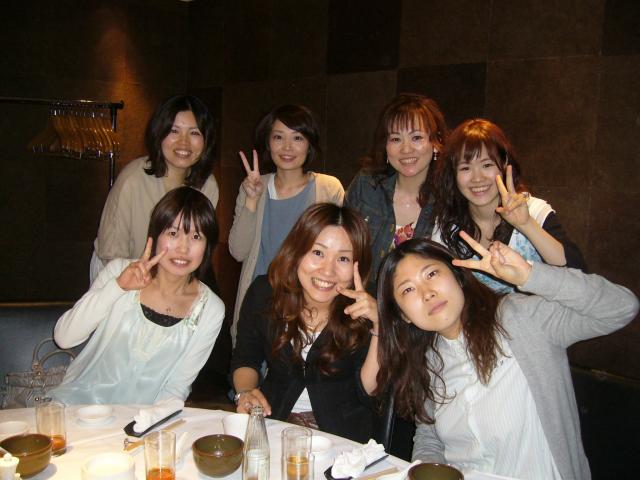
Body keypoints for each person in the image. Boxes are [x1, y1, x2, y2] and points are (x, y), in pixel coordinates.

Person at [360, 235, 638, 479]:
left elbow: (622, 307)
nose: (427, 293)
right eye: (408, 289)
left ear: (457, 276)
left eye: (432, 274)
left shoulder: (519, 318)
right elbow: (430, 436)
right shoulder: (427, 361)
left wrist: (529, 276)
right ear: (404, 315)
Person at [50, 187, 225, 405]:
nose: (183, 248)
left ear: (207, 246)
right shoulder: (120, 272)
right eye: (173, 233)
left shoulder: (211, 309)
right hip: (78, 406)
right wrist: (118, 287)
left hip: (143, 420)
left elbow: (176, 387)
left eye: (196, 236)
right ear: (155, 235)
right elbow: (64, 337)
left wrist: (151, 421)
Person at [230, 203, 378, 443]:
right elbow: (246, 358)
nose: (327, 271)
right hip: (273, 424)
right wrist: (246, 393)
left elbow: (369, 391)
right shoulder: (265, 292)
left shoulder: (368, 309)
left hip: (341, 440)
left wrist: (380, 327)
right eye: (318, 253)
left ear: (357, 267)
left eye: (343, 258)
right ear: (297, 251)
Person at [228, 104, 344, 343]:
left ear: (309, 144)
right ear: (268, 143)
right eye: (278, 137)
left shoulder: (328, 188)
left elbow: (341, 254)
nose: (287, 147)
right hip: (258, 306)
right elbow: (238, 251)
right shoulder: (253, 186)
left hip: (308, 308)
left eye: (297, 138)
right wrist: (252, 200)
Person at [432, 118, 585, 292]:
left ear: (504, 164)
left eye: (487, 165)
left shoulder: (534, 210)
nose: (477, 178)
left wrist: (527, 225)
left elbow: (578, 274)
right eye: (465, 168)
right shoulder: (446, 227)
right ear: (453, 174)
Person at [91, 94, 219, 283]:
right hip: (120, 275)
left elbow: (198, 249)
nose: (184, 142)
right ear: (159, 134)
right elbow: (112, 254)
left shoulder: (207, 186)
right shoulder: (132, 180)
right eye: (174, 131)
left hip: (171, 280)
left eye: (194, 133)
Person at [345, 93, 448, 294]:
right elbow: (342, 244)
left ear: (435, 142)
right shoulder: (367, 185)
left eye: (416, 137)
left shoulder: (449, 196)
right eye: (395, 139)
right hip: (361, 300)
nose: (406, 149)